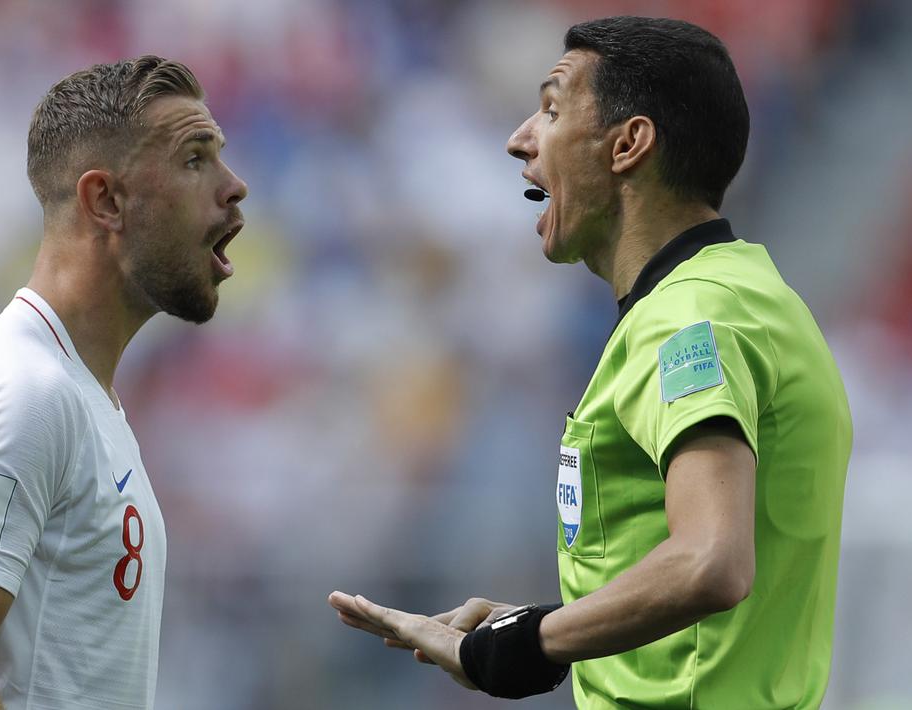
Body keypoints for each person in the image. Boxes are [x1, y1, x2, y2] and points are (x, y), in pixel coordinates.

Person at [330, 16, 851, 709]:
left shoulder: (689, 318)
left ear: (628, 144)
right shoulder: (740, 293)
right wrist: (541, 623)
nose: (519, 138)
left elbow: (711, 561)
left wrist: (522, 645)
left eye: (551, 110)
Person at [0, 56, 247, 709]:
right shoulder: (17, 390)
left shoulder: (79, 393)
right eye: (195, 159)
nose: (234, 186)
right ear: (105, 200)